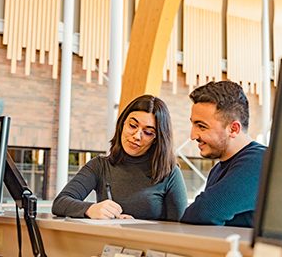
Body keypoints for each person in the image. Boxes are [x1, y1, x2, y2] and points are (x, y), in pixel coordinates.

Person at [52, 95, 187, 221]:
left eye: (148, 132)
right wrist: (90, 209)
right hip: (109, 245)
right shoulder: (99, 166)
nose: (137, 136)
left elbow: (180, 229)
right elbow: (60, 203)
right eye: (132, 126)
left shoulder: (170, 174)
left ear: (157, 139)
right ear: (122, 124)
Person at [180, 81, 267, 227]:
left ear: (233, 129)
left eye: (201, 126)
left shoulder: (260, 162)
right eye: (193, 124)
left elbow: (202, 214)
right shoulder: (218, 169)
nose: (193, 135)